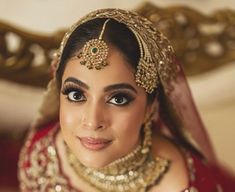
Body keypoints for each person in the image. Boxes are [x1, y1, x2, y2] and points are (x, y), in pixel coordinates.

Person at [18, 8, 235, 192]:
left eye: (118, 99)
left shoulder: (183, 185)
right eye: (76, 95)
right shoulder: (45, 153)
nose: (93, 121)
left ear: (150, 108)